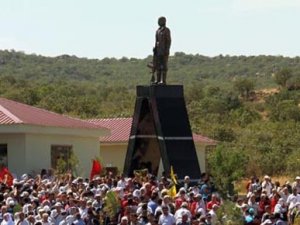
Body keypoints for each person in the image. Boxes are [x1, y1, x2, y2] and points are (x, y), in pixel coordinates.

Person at [153, 16, 171, 85]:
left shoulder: (166, 30)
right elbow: (156, 41)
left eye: (160, 21)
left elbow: (169, 41)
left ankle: (163, 81)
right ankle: (158, 80)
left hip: (164, 51)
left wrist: (167, 50)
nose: (158, 22)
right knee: (158, 66)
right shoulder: (157, 30)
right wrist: (155, 49)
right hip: (158, 51)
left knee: (164, 66)